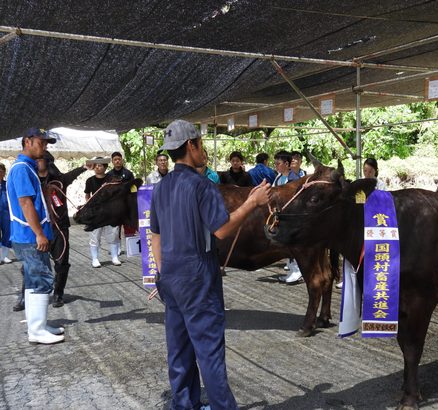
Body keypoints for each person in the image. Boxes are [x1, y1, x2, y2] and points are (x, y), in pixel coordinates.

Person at [149, 119, 271, 410]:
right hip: (197, 275)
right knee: (209, 352)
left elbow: (155, 235)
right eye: (201, 144)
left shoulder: (161, 187)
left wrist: (161, 273)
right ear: (191, 146)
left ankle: (184, 404)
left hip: (170, 276)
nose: (203, 150)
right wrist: (252, 203)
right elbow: (222, 229)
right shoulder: (202, 186)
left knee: (178, 349)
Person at [6, 127, 64, 344]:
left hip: (27, 237)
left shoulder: (26, 167)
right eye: (41, 142)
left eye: (46, 143)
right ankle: (37, 331)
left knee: (32, 281)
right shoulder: (22, 169)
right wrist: (40, 234)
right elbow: (25, 202)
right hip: (31, 238)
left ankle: (37, 325)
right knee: (41, 280)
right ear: (27, 142)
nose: (45, 147)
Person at [38, 151, 92, 307]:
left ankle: (58, 294)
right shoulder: (31, 180)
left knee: (61, 262)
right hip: (40, 229)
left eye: (40, 159)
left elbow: (72, 174)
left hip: (59, 228)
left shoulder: (60, 180)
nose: (37, 162)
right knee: (34, 263)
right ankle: (25, 295)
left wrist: (84, 167)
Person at [84, 158, 122, 267]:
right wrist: (89, 206)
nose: (97, 167)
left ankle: (115, 257)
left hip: (110, 212)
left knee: (113, 234)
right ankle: (95, 259)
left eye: (100, 165)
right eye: (95, 165)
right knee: (95, 235)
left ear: (105, 167)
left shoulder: (112, 179)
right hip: (95, 213)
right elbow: (87, 195)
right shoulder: (90, 180)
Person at [272, 150, 302, 283]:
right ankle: (291, 269)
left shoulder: (294, 179)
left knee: (293, 243)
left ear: (286, 163)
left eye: (278, 163)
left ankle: (297, 270)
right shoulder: (278, 178)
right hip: (281, 216)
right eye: (275, 163)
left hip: (292, 216)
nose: (276, 166)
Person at [0, 163, 12, 263]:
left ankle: (4, 256)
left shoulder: (7, 184)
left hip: (6, 213)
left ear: (4, 173)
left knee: (7, 234)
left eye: (1, 171)